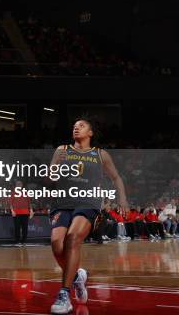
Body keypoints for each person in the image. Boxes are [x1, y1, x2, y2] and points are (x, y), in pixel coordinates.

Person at [49, 118, 129, 314]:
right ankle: (77, 277)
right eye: (74, 126)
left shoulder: (100, 154)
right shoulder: (62, 149)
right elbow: (51, 177)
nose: (76, 127)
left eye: (81, 125)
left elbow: (116, 177)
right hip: (64, 202)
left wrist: (123, 199)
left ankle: (64, 294)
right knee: (57, 245)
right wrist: (54, 170)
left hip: (88, 202)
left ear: (91, 133)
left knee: (73, 238)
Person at [10, 180, 33, 246]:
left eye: (20, 184)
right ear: (16, 185)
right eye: (18, 184)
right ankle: (17, 242)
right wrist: (12, 210)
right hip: (16, 213)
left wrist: (31, 210)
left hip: (25, 213)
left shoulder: (25, 193)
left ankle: (24, 241)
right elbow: (10, 203)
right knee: (17, 227)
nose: (19, 185)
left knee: (25, 228)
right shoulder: (13, 193)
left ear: (22, 185)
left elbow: (29, 202)